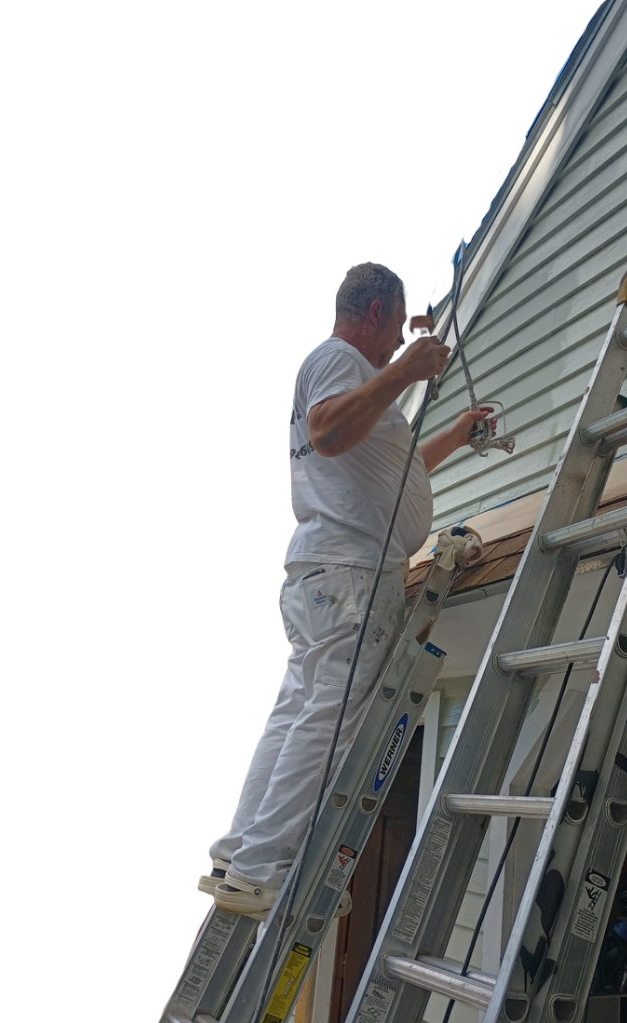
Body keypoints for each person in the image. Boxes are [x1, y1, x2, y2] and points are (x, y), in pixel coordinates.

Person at [201, 261, 493, 918]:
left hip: (328, 573)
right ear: (373, 312)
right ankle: (259, 866)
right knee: (327, 713)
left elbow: (384, 464)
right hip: (351, 575)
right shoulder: (338, 360)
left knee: (301, 707)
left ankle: (241, 848)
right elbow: (329, 432)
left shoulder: (352, 381)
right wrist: (407, 372)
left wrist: (456, 431)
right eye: (397, 321)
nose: (398, 336)